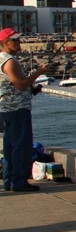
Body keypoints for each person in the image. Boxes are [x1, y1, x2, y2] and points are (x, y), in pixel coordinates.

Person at [0, 28, 47, 192]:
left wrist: (32, 89)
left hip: (6, 109)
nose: (19, 43)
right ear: (6, 43)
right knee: (21, 145)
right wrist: (39, 72)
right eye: (15, 40)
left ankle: (9, 181)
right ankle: (19, 182)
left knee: (10, 146)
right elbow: (19, 85)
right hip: (16, 109)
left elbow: (11, 85)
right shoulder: (9, 61)